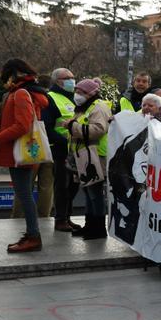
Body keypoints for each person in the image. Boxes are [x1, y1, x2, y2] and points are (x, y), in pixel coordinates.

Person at [0, 58, 49, 253]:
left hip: (19, 152)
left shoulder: (20, 93)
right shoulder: (29, 92)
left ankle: (33, 236)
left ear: (13, 75)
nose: (5, 82)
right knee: (25, 193)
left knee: (24, 195)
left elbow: (22, 125)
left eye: (6, 77)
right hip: (24, 150)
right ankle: (32, 234)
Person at [65, 79, 113, 239]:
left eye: (81, 92)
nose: (77, 95)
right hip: (84, 156)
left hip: (95, 156)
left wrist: (72, 126)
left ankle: (98, 229)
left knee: (95, 194)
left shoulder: (98, 107)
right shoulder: (83, 107)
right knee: (87, 192)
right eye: (77, 92)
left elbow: (98, 130)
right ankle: (90, 225)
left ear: (91, 94)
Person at [41, 67, 78, 232]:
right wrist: (63, 141)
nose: (72, 80)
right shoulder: (50, 98)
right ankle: (60, 219)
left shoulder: (74, 98)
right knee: (62, 186)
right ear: (57, 81)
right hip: (61, 149)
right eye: (67, 78)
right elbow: (46, 128)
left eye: (72, 77)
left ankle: (67, 217)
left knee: (73, 187)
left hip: (76, 150)